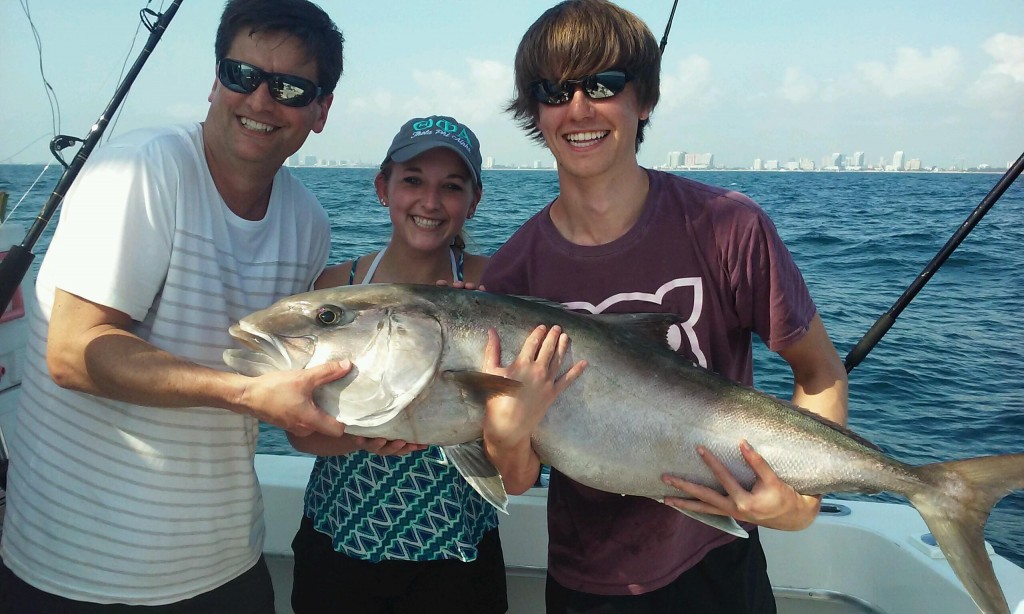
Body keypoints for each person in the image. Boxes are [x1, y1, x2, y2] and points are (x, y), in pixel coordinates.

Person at [480, 1, 850, 612]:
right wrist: (504, 438)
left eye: (602, 84)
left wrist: (802, 502)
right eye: (554, 89)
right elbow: (518, 477)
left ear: (643, 99)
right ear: (534, 112)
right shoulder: (517, 269)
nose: (578, 109)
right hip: (587, 577)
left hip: (719, 560)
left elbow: (819, 372)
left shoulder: (728, 226)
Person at [0, 1, 347, 612]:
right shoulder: (144, 169)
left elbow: (295, 394)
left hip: (228, 567)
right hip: (78, 575)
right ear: (215, 81)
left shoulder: (308, 222)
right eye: (241, 75)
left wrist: (383, 422)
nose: (260, 102)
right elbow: (73, 352)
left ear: (320, 112)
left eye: (290, 88)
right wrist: (247, 396)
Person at [285, 115, 580, 614]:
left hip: (457, 554)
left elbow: (522, 457)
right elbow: (299, 431)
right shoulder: (338, 288)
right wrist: (360, 436)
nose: (429, 201)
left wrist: (478, 320)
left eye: (451, 186)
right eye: (413, 181)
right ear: (384, 188)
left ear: (474, 200)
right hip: (340, 544)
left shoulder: (498, 290)